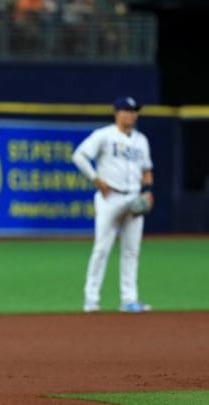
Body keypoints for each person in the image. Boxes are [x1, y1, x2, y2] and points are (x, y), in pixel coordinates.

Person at [72, 96, 154, 313]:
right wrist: (96, 179)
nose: (131, 115)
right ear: (116, 113)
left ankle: (129, 299)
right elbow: (79, 155)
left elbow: (146, 170)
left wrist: (148, 192)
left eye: (134, 111)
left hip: (134, 197)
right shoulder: (104, 135)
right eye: (127, 110)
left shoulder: (141, 140)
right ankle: (91, 300)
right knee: (101, 248)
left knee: (131, 250)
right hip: (110, 198)